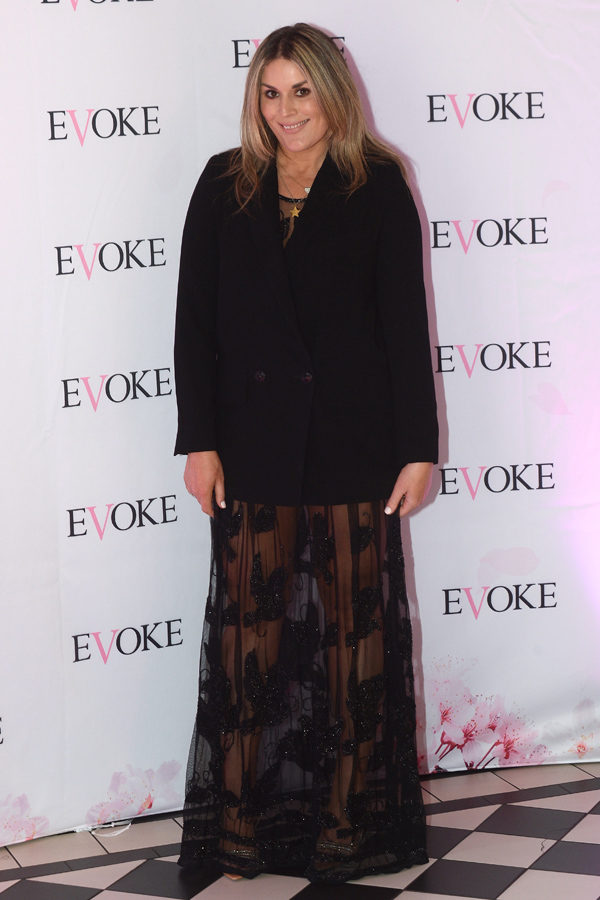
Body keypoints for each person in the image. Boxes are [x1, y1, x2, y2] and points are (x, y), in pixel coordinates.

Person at [173, 22, 438, 884]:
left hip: (353, 445)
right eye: (271, 91)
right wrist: (200, 441)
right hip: (252, 446)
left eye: (302, 90)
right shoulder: (224, 183)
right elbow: (196, 325)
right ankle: (247, 828)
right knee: (248, 645)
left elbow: (405, 327)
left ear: (334, 91)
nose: (286, 109)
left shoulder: (378, 181)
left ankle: (349, 828)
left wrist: (418, 449)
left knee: (354, 644)